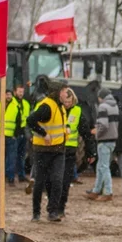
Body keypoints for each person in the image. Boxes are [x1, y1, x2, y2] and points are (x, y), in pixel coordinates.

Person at [27, 86, 73, 221]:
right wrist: (44, 134)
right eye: (65, 91)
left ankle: (52, 211)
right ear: (58, 93)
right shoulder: (47, 107)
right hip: (42, 150)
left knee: (58, 180)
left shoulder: (62, 107)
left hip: (59, 151)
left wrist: (67, 129)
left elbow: (60, 125)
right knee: (39, 182)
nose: (67, 93)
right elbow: (30, 121)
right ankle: (36, 213)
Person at [60, 91, 91, 217]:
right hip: (56, 150)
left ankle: (60, 207)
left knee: (65, 181)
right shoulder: (56, 109)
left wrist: (90, 151)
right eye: (65, 102)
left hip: (70, 151)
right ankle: (53, 206)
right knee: (55, 180)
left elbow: (86, 133)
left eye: (69, 102)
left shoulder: (77, 112)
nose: (67, 104)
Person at [88, 89, 120, 201]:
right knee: (101, 166)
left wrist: (97, 133)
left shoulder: (103, 107)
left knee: (103, 166)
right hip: (113, 140)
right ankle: (96, 191)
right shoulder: (115, 106)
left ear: (101, 97)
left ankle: (108, 192)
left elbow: (104, 125)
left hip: (104, 140)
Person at [0, 89, 21, 186]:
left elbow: (18, 123)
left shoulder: (15, 107)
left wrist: (15, 135)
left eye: (10, 94)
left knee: (11, 159)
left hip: (10, 137)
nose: (8, 96)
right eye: (6, 94)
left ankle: (10, 179)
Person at [14, 85, 31, 183]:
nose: (21, 93)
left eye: (22, 92)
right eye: (19, 91)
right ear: (15, 92)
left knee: (22, 156)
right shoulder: (12, 102)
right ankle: (10, 176)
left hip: (24, 132)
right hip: (14, 133)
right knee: (12, 156)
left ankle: (21, 175)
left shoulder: (26, 104)